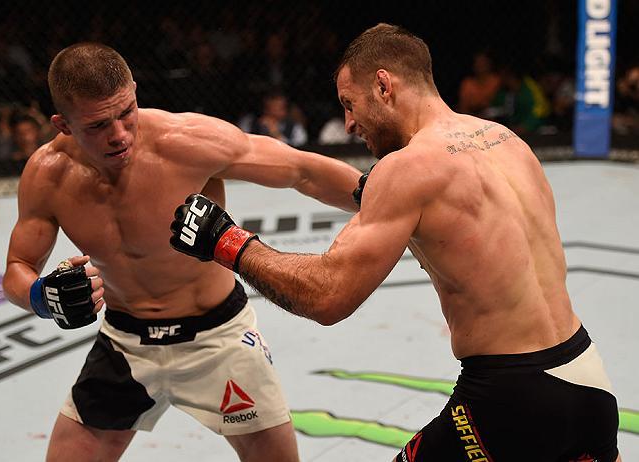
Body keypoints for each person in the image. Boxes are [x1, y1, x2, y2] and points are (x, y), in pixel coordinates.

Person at [169, 24, 622, 462]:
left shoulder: (408, 169)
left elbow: (328, 296)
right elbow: (385, 198)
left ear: (384, 86)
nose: (348, 124)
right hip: (586, 379)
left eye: (350, 104)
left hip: (512, 395)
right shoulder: (505, 141)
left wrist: (226, 242)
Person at [2, 42, 361, 462]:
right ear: (63, 124)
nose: (119, 134)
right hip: (125, 343)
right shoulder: (47, 175)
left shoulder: (186, 141)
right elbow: (17, 268)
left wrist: (386, 200)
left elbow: (302, 171)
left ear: (135, 91)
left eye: (126, 112)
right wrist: (40, 297)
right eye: (98, 125)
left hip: (219, 338)